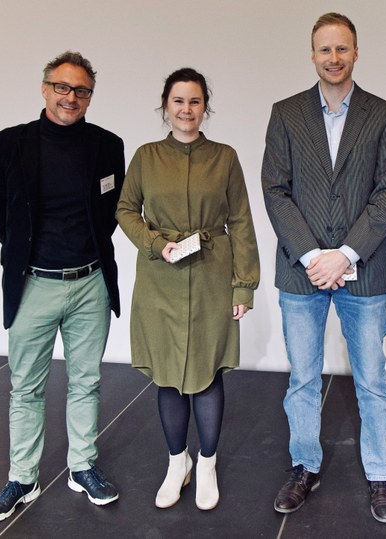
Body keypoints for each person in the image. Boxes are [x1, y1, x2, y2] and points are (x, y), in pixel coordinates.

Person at [261, 12, 386, 524]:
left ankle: (380, 473)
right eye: (325, 49)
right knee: (303, 379)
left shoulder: (384, 115)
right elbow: (275, 191)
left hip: (363, 269)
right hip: (300, 272)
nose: (334, 57)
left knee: (372, 381)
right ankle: (305, 466)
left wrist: (344, 254)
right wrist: (311, 255)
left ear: (356, 52)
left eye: (342, 48)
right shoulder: (285, 113)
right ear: (313, 55)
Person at [0, 51, 124, 522]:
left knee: (87, 382)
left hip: (90, 284)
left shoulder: (108, 146)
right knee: (25, 388)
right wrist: (26, 251)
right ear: (45, 89)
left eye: (81, 90)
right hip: (33, 285)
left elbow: (111, 212)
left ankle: (82, 467)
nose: (71, 97)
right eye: (62, 87)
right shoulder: (6, 145)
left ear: (90, 97)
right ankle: (23, 478)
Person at [116, 67, 260, 511]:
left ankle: (208, 464)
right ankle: (177, 463)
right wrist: (155, 244)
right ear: (166, 106)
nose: (186, 109)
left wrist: (243, 287)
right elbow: (125, 209)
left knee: (207, 372)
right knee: (168, 376)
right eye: (178, 101)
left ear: (205, 107)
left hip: (213, 277)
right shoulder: (145, 156)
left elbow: (241, 221)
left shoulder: (225, 157)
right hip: (160, 280)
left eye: (195, 101)